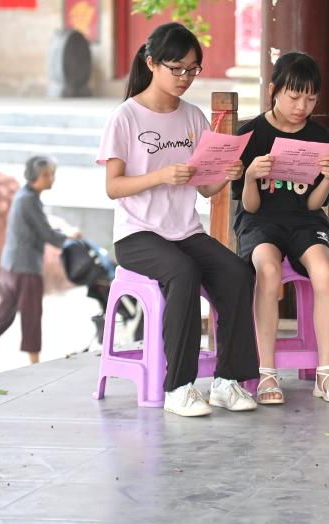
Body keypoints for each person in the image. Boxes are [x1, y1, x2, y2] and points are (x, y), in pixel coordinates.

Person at [96, 22, 259, 417]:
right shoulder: (126, 117)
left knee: (238, 272)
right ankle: (178, 387)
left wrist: (228, 174)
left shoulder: (193, 117)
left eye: (193, 69)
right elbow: (113, 187)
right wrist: (161, 176)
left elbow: (205, 188)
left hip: (185, 231)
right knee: (182, 272)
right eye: (177, 68)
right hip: (137, 234)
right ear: (152, 63)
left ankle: (226, 381)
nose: (185, 77)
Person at [231, 51, 329, 405]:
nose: (302, 107)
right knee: (268, 270)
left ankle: (325, 373)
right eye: (294, 96)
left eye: (310, 99)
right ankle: (267, 372)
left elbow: (314, 205)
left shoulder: (318, 135)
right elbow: (250, 207)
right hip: (260, 221)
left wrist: (328, 179)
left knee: (325, 272)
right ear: (273, 90)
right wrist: (250, 176)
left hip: (304, 220)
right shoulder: (250, 134)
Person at [0, 157, 79, 363]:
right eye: (47, 175)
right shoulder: (29, 200)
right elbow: (47, 233)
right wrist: (69, 236)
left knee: (4, 317)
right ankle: (35, 365)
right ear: (36, 176)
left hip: (10, 266)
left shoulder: (24, 196)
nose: (52, 179)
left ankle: (34, 361)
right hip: (25, 268)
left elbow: (38, 228)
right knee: (31, 316)